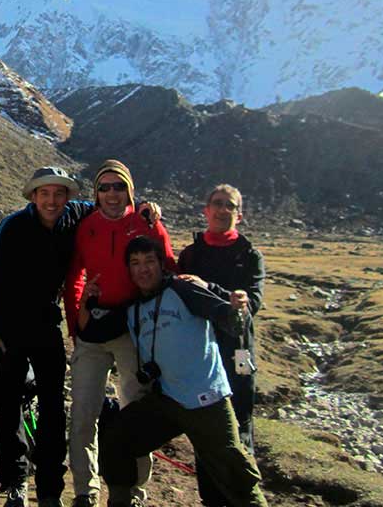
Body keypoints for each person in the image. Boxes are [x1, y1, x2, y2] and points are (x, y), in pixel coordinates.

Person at [97, 236, 268, 507]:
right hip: (167, 399)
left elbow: (228, 319)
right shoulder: (132, 308)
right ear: (128, 270)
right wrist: (84, 301)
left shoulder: (182, 289)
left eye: (150, 261)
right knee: (117, 440)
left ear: (162, 264)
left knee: (234, 471)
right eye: (135, 263)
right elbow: (91, 331)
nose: (143, 269)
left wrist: (236, 309)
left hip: (207, 399)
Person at [63, 160, 175, 507]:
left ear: (130, 189)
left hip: (134, 330)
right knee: (83, 413)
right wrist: (76, 321)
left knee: (136, 411)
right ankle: (85, 491)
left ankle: (134, 493)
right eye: (104, 187)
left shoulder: (145, 223)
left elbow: (168, 266)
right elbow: (75, 276)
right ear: (96, 193)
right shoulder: (87, 227)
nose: (111, 193)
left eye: (118, 186)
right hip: (93, 330)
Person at [0, 166, 94, 507]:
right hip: (10, 327)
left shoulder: (73, 215)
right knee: (7, 408)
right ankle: (14, 482)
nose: (52, 200)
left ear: (67, 198)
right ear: (33, 196)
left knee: (52, 410)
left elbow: (108, 204)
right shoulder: (12, 227)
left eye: (59, 193)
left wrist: (143, 208)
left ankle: (48, 491)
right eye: (44, 193)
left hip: (47, 324)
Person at [178, 184, 265, 507]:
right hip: (201, 354)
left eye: (229, 205)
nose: (222, 210)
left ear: (239, 215)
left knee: (240, 427)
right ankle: (211, 499)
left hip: (237, 353)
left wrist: (215, 291)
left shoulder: (250, 256)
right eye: (216, 204)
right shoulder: (191, 255)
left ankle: (245, 496)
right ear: (205, 210)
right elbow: (184, 297)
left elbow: (250, 303)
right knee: (205, 429)